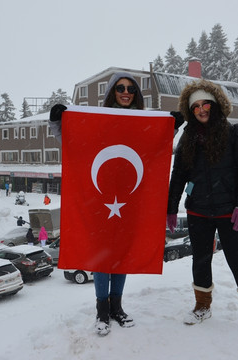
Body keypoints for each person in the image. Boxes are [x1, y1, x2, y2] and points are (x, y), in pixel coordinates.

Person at [49, 71, 182, 336]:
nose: (125, 92)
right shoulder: (98, 121)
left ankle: (117, 308)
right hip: (100, 204)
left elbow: (158, 150)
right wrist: (58, 122)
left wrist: (172, 127)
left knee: (122, 256)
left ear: (136, 95)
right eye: (120, 87)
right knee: (102, 261)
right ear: (112, 92)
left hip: (130, 204)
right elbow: (76, 143)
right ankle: (102, 311)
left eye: (131, 89)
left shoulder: (143, 122)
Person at [166, 79, 238, 337]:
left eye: (206, 104)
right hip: (198, 211)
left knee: (237, 259)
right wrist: (170, 208)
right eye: (196, 106)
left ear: (215, 104)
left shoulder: (235, 133)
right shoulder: (188, 137)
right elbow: (178, 174)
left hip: (228, 212)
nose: (201, 110)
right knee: (201, 260)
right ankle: (202, 307)